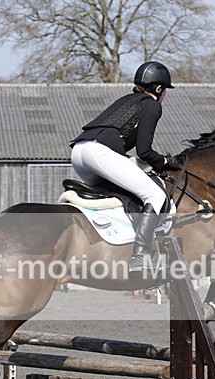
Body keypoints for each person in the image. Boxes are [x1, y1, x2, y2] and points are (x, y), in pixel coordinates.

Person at [70, 60, 181, 273]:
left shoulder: (126, 99)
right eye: (165, 89)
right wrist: (166, 162)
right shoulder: (152, 104)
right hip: (100, 153)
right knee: (155, 196)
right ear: (158, 89)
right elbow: (144, 152)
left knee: (119, 195)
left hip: (79, 151)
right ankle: (139, 255)